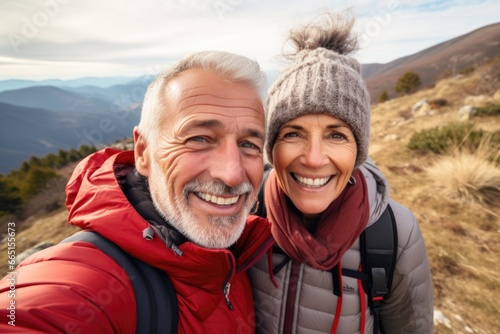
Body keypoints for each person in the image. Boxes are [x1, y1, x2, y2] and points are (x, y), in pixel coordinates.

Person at [0, 51, 275, 333]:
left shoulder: (243, 254)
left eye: (249, 144)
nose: (232, 173)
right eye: (199, 139)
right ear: (143, 153)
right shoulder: (91, 283)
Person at [248, 13, 434, 334]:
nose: (314, 159)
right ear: (271, 146)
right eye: (293, 133)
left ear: (358, 150)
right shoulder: (242, 212)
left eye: (337, 135)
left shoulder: (394, 235)